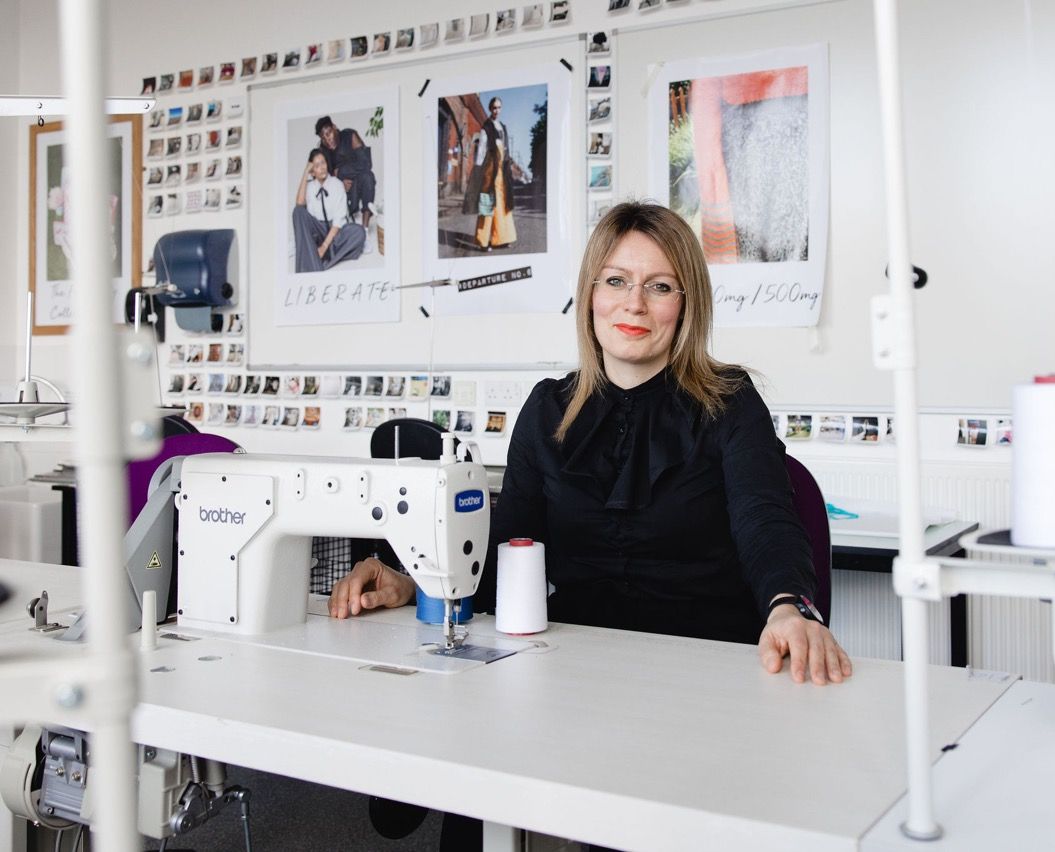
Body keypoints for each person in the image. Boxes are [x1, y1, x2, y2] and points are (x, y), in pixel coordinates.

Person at [331, 202, 850, 847]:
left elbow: (765, 522)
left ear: (685, 304)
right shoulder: (547, 409)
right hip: (572, 670)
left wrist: (785, 608)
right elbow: (506, 555)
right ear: (589, 294)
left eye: (659, 286)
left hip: (700, 678)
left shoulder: (730, 404)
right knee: (474, 776)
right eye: (617, 281)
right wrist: (415, 584)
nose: (635, 303)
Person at [291, 148, 365, 273]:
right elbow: (299, 203)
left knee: (359, 232)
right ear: (312, 172)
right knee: (298, 212)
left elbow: (337, 222)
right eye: (317, 165)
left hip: (335, 234)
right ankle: (316, 262)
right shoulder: (309, 187)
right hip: (317, 232)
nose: (322, 167)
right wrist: (305, 173)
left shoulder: (337, 184)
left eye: (323, 163)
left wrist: (324, 247)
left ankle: (314, 260)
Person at [463, 97, 520, 251]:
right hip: (490, 172)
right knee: (487, 205)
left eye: (499, 107)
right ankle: (483, 241)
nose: (496, 111)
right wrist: (477, 174)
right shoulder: (486, 128)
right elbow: (481, 153)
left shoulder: (503, 127)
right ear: (490, 108)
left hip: (503, 174)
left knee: (503, 205)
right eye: (494, 108)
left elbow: (506, 151)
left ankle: (502, 238)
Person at [314, 115, 377, 231]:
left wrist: (342, 172)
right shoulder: (323, 150)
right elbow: (322, 179)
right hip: (342, 194)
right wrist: (339, 183)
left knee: (368, 177)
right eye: (323, 137)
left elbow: (366, 163)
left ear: (334, 127)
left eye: (328, 133)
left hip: (358, 184)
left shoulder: (350, 136)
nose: (327, 140)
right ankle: (350, 217)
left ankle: (365, 230)